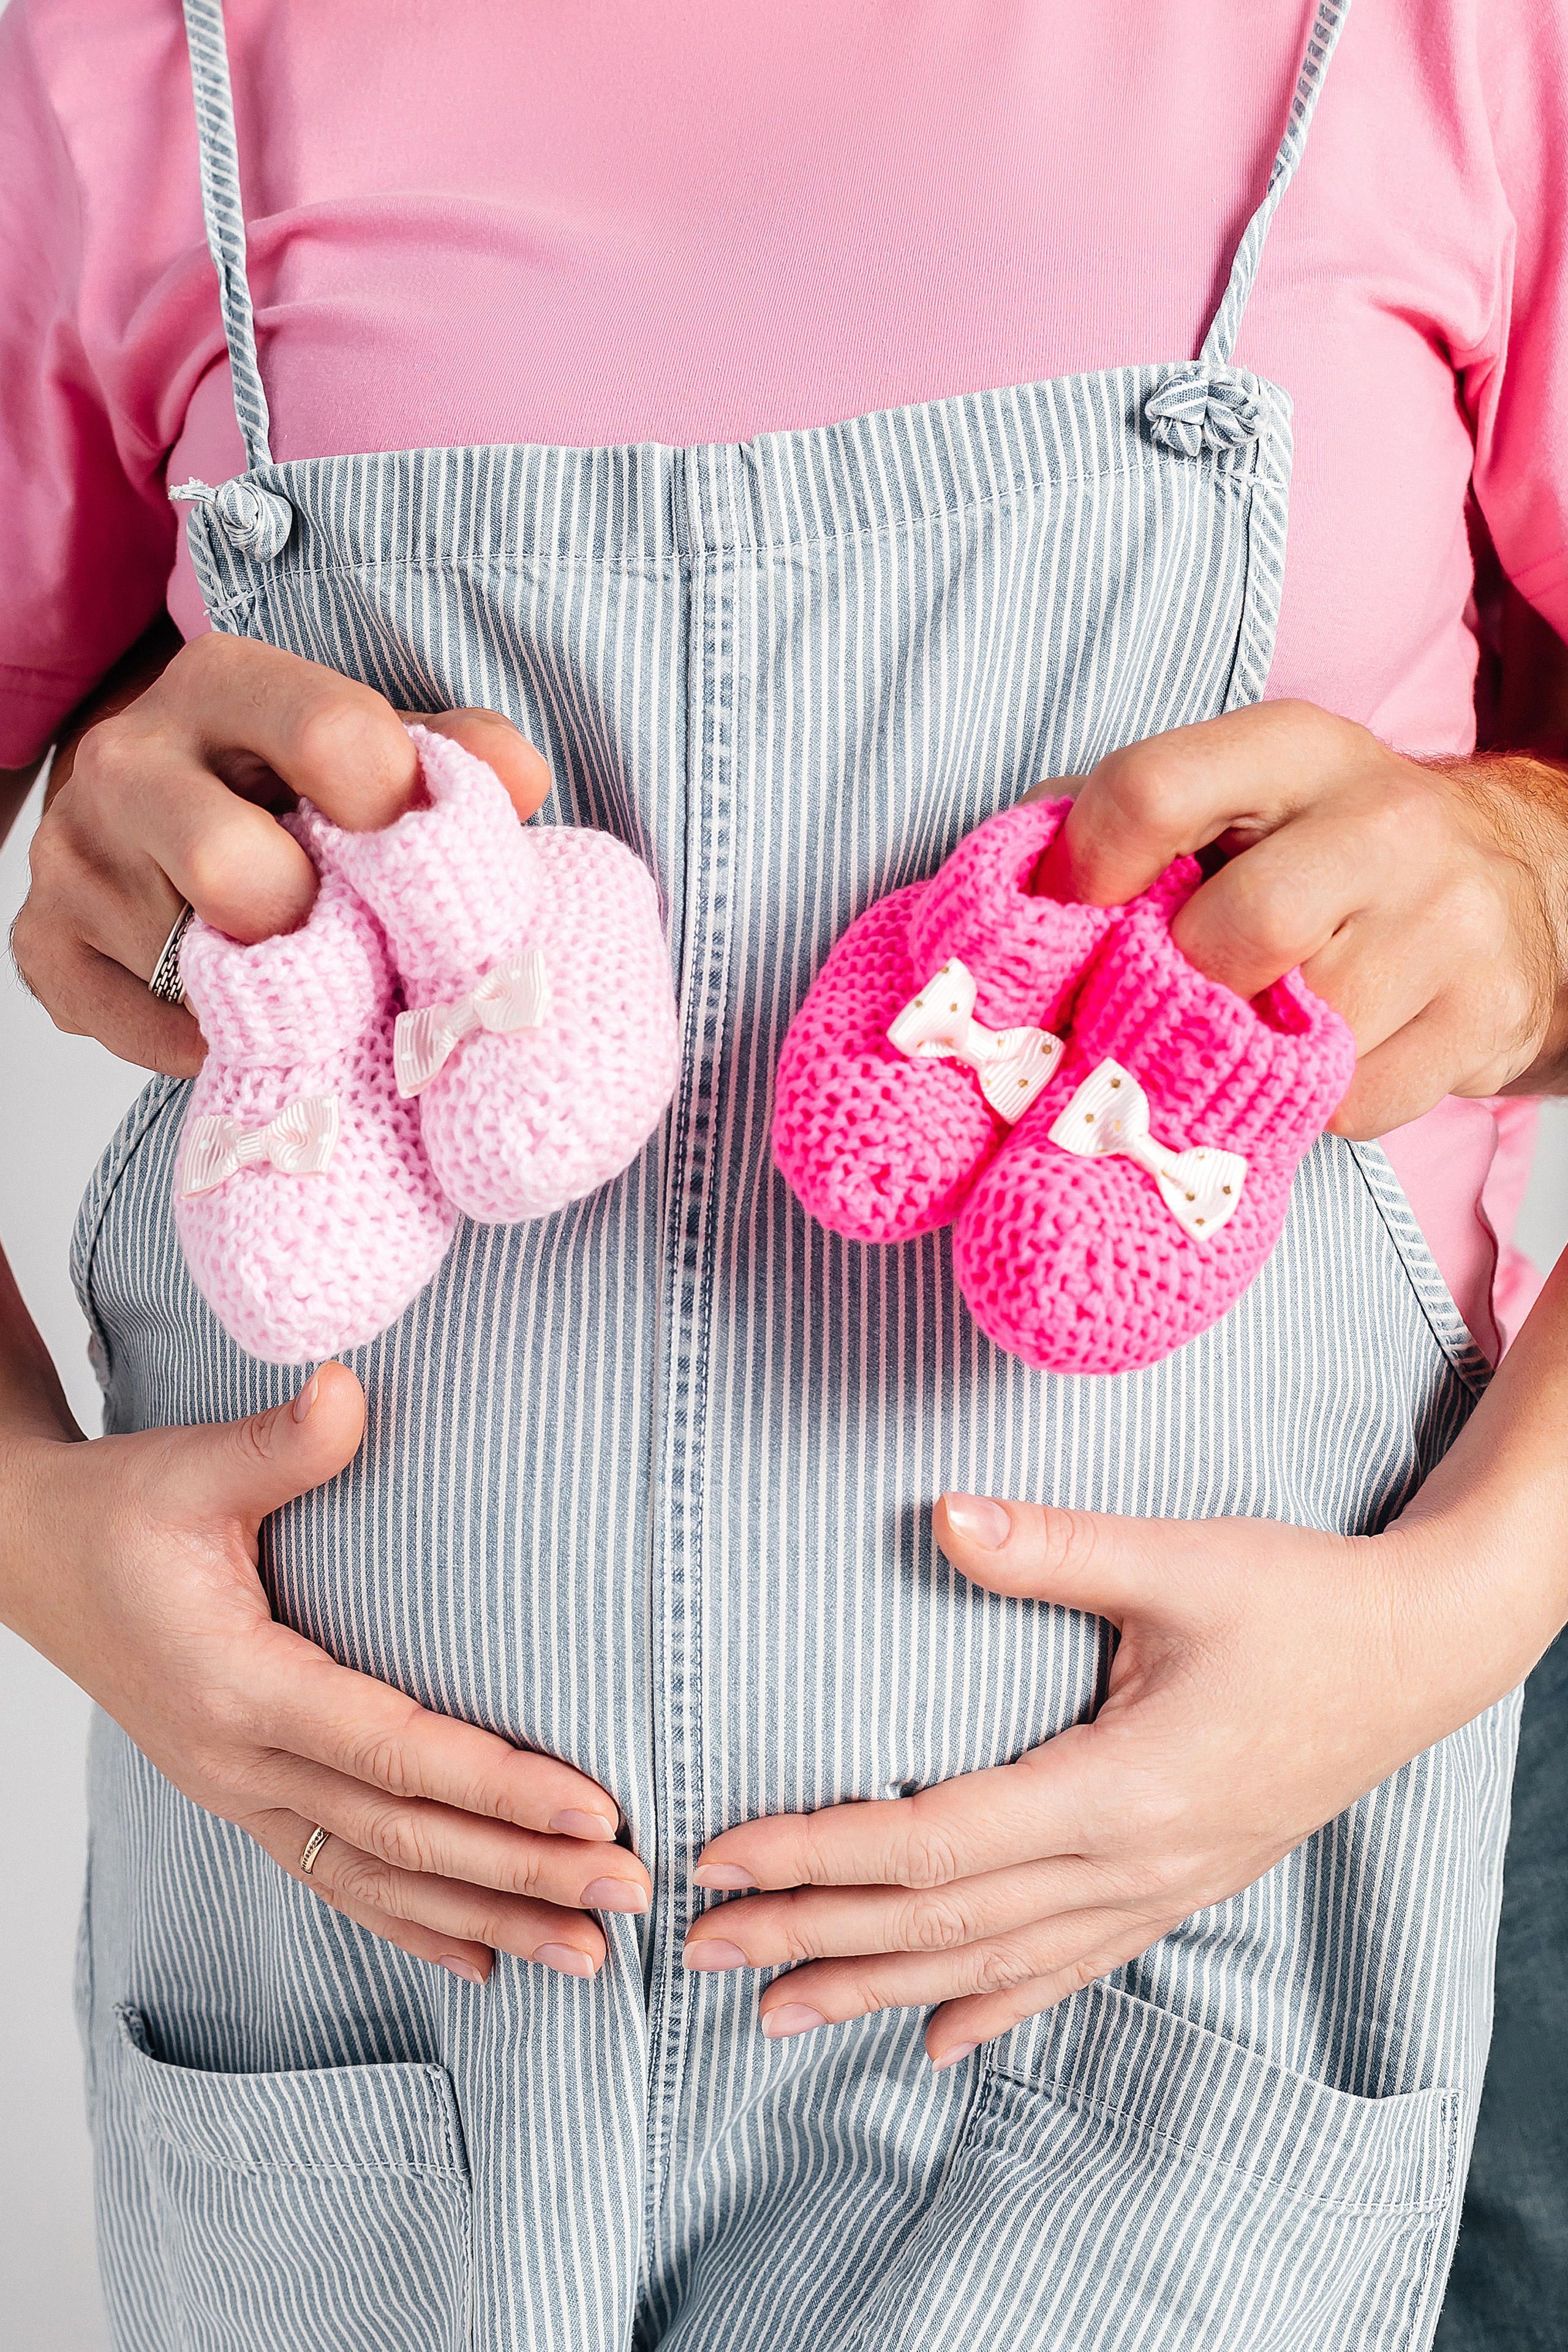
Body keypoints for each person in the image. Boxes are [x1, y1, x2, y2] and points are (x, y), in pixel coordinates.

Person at [2, 1, 1568, 2344]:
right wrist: (18, 1513)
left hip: (1187, 1991)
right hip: (375, 2032)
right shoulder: (139, 61)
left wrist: (1471, 1595)